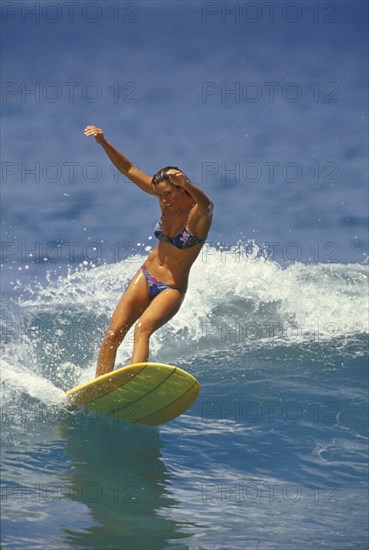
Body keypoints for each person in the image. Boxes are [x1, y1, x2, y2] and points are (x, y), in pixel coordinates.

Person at [84, 125, 213, 377]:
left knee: (142, 329)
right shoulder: (164, 199)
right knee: (113, 334)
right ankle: (98, 386)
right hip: (146, 275)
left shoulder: (198, 215)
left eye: (168, 194)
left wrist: (186, 182)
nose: (163, 200)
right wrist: (103, 142)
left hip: (171, 287)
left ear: (181, 188)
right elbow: (129, 169)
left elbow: (207, 204)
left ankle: (132, 382)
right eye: (160, 195)